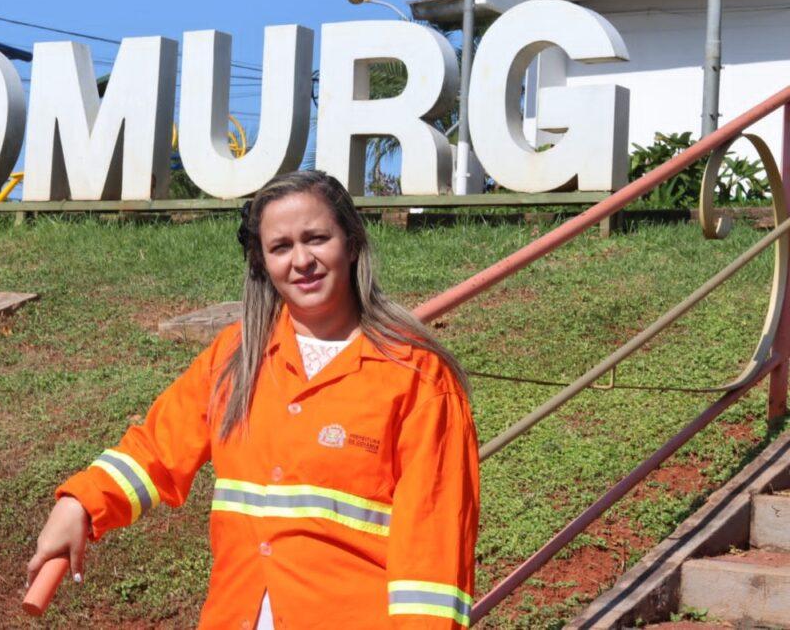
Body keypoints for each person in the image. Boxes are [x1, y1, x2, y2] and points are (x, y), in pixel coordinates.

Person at [27, 170, 480, 628]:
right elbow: (155, 452)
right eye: (281, 247)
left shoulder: (417, 375)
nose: (302, 260)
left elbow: (434, 548)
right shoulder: (235, 356)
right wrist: (79, 505)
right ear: (262, 262)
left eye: (317, 238)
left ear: (352, 242)